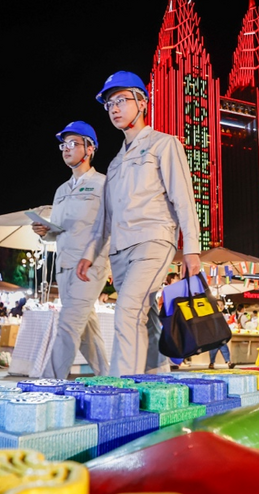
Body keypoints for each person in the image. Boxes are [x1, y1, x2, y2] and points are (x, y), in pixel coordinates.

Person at [77, 71, 202, 376]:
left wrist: (192, 248)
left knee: (127, 311)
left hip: (154, 241)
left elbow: (183, 198)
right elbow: (106, 219)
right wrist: (90, 254)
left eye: (121, 100)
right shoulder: (115, 163)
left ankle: (123, 390)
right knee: (144, 319)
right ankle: (157, 383)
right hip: (120, 251)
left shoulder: (164, 144)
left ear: (143, 102)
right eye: (109, 104)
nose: (114, 108)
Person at [32, 120, 110, 379]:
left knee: (67, 326)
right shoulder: (61, 190)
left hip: (89, 267)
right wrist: (46, 232)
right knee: (87, 331)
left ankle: (47, 384)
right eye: (63, 144)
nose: (66, 149)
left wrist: (101, 260)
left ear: (89, 149)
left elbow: (110, 226)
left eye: (73, 143)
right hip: (64, 267)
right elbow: (60, 230)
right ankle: (108, 380)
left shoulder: (103, 184)